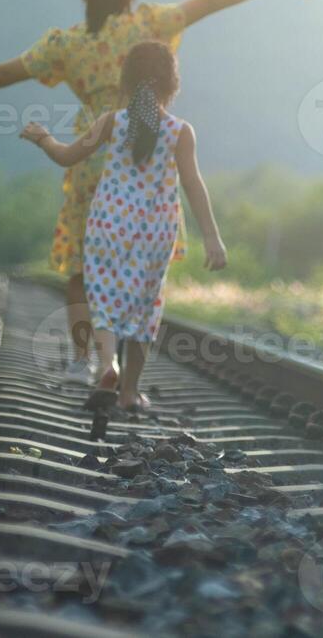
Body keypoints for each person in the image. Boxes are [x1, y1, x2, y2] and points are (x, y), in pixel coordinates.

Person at [0, 0, 313, 381]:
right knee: (144, 275)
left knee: (84, 270)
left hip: (94, 157)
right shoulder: (152, 22)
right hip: (150, 156)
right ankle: (128, 380)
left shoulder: (67, 44)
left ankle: (88, 360)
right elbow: (212, 0)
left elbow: (5, 72)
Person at [21, 41, 224, 410]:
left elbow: (67, 155)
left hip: (108, 225)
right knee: (145, 305)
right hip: (156, 231)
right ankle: (130, 393)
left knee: (103, 300)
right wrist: (212, 237)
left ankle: (107, 363)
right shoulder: (181, 131)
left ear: (125, 82)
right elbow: (194, 185)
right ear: (172, 85)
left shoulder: (111, 122)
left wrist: (42, 138)